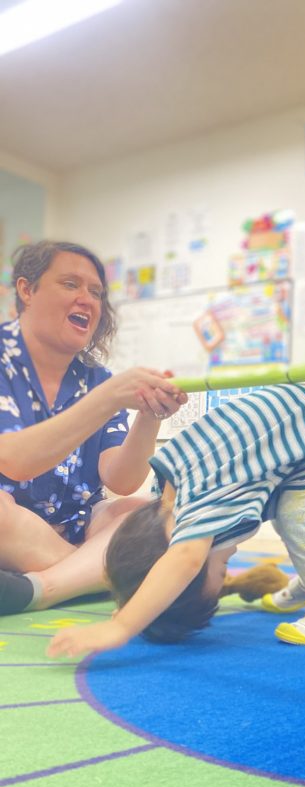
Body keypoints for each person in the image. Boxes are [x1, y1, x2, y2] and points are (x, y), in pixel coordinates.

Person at [47, 380, 305, 657]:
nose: (232, 555)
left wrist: (122, 626)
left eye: (221, 566)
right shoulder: (171, 488)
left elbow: (185, 558)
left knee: (297, 516)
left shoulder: (198, 506)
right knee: (283, 508)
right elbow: (164, 558)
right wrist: (136, 598)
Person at [0, 240, 188, 616]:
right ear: (27, 290)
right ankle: (94, 574)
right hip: (11, 526)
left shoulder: (98, 378)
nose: (87, 299)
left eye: (96, 292)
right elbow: (15, 460)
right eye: (70, 284)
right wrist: (110, 397)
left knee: (159, 514)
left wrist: (150, 415)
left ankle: (44, 586)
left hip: (79, 523)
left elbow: (121, 480)